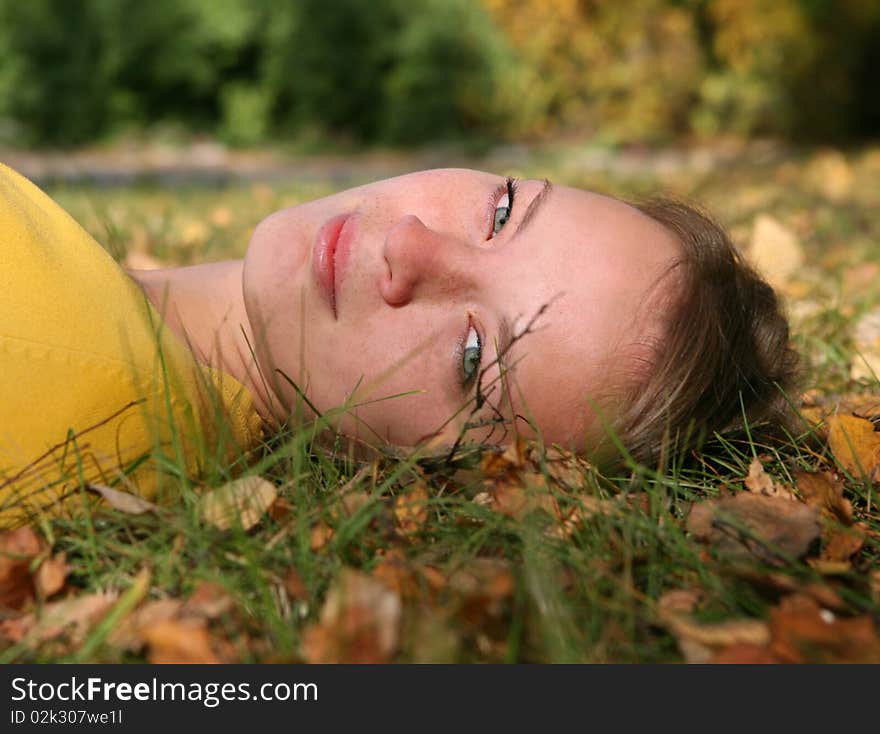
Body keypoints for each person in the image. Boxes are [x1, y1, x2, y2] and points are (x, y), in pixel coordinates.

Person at [0, 163, 797, 526]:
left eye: (473, 359)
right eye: (502, 210)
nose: (413, 247)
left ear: (434, 483)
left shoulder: (48, 357)